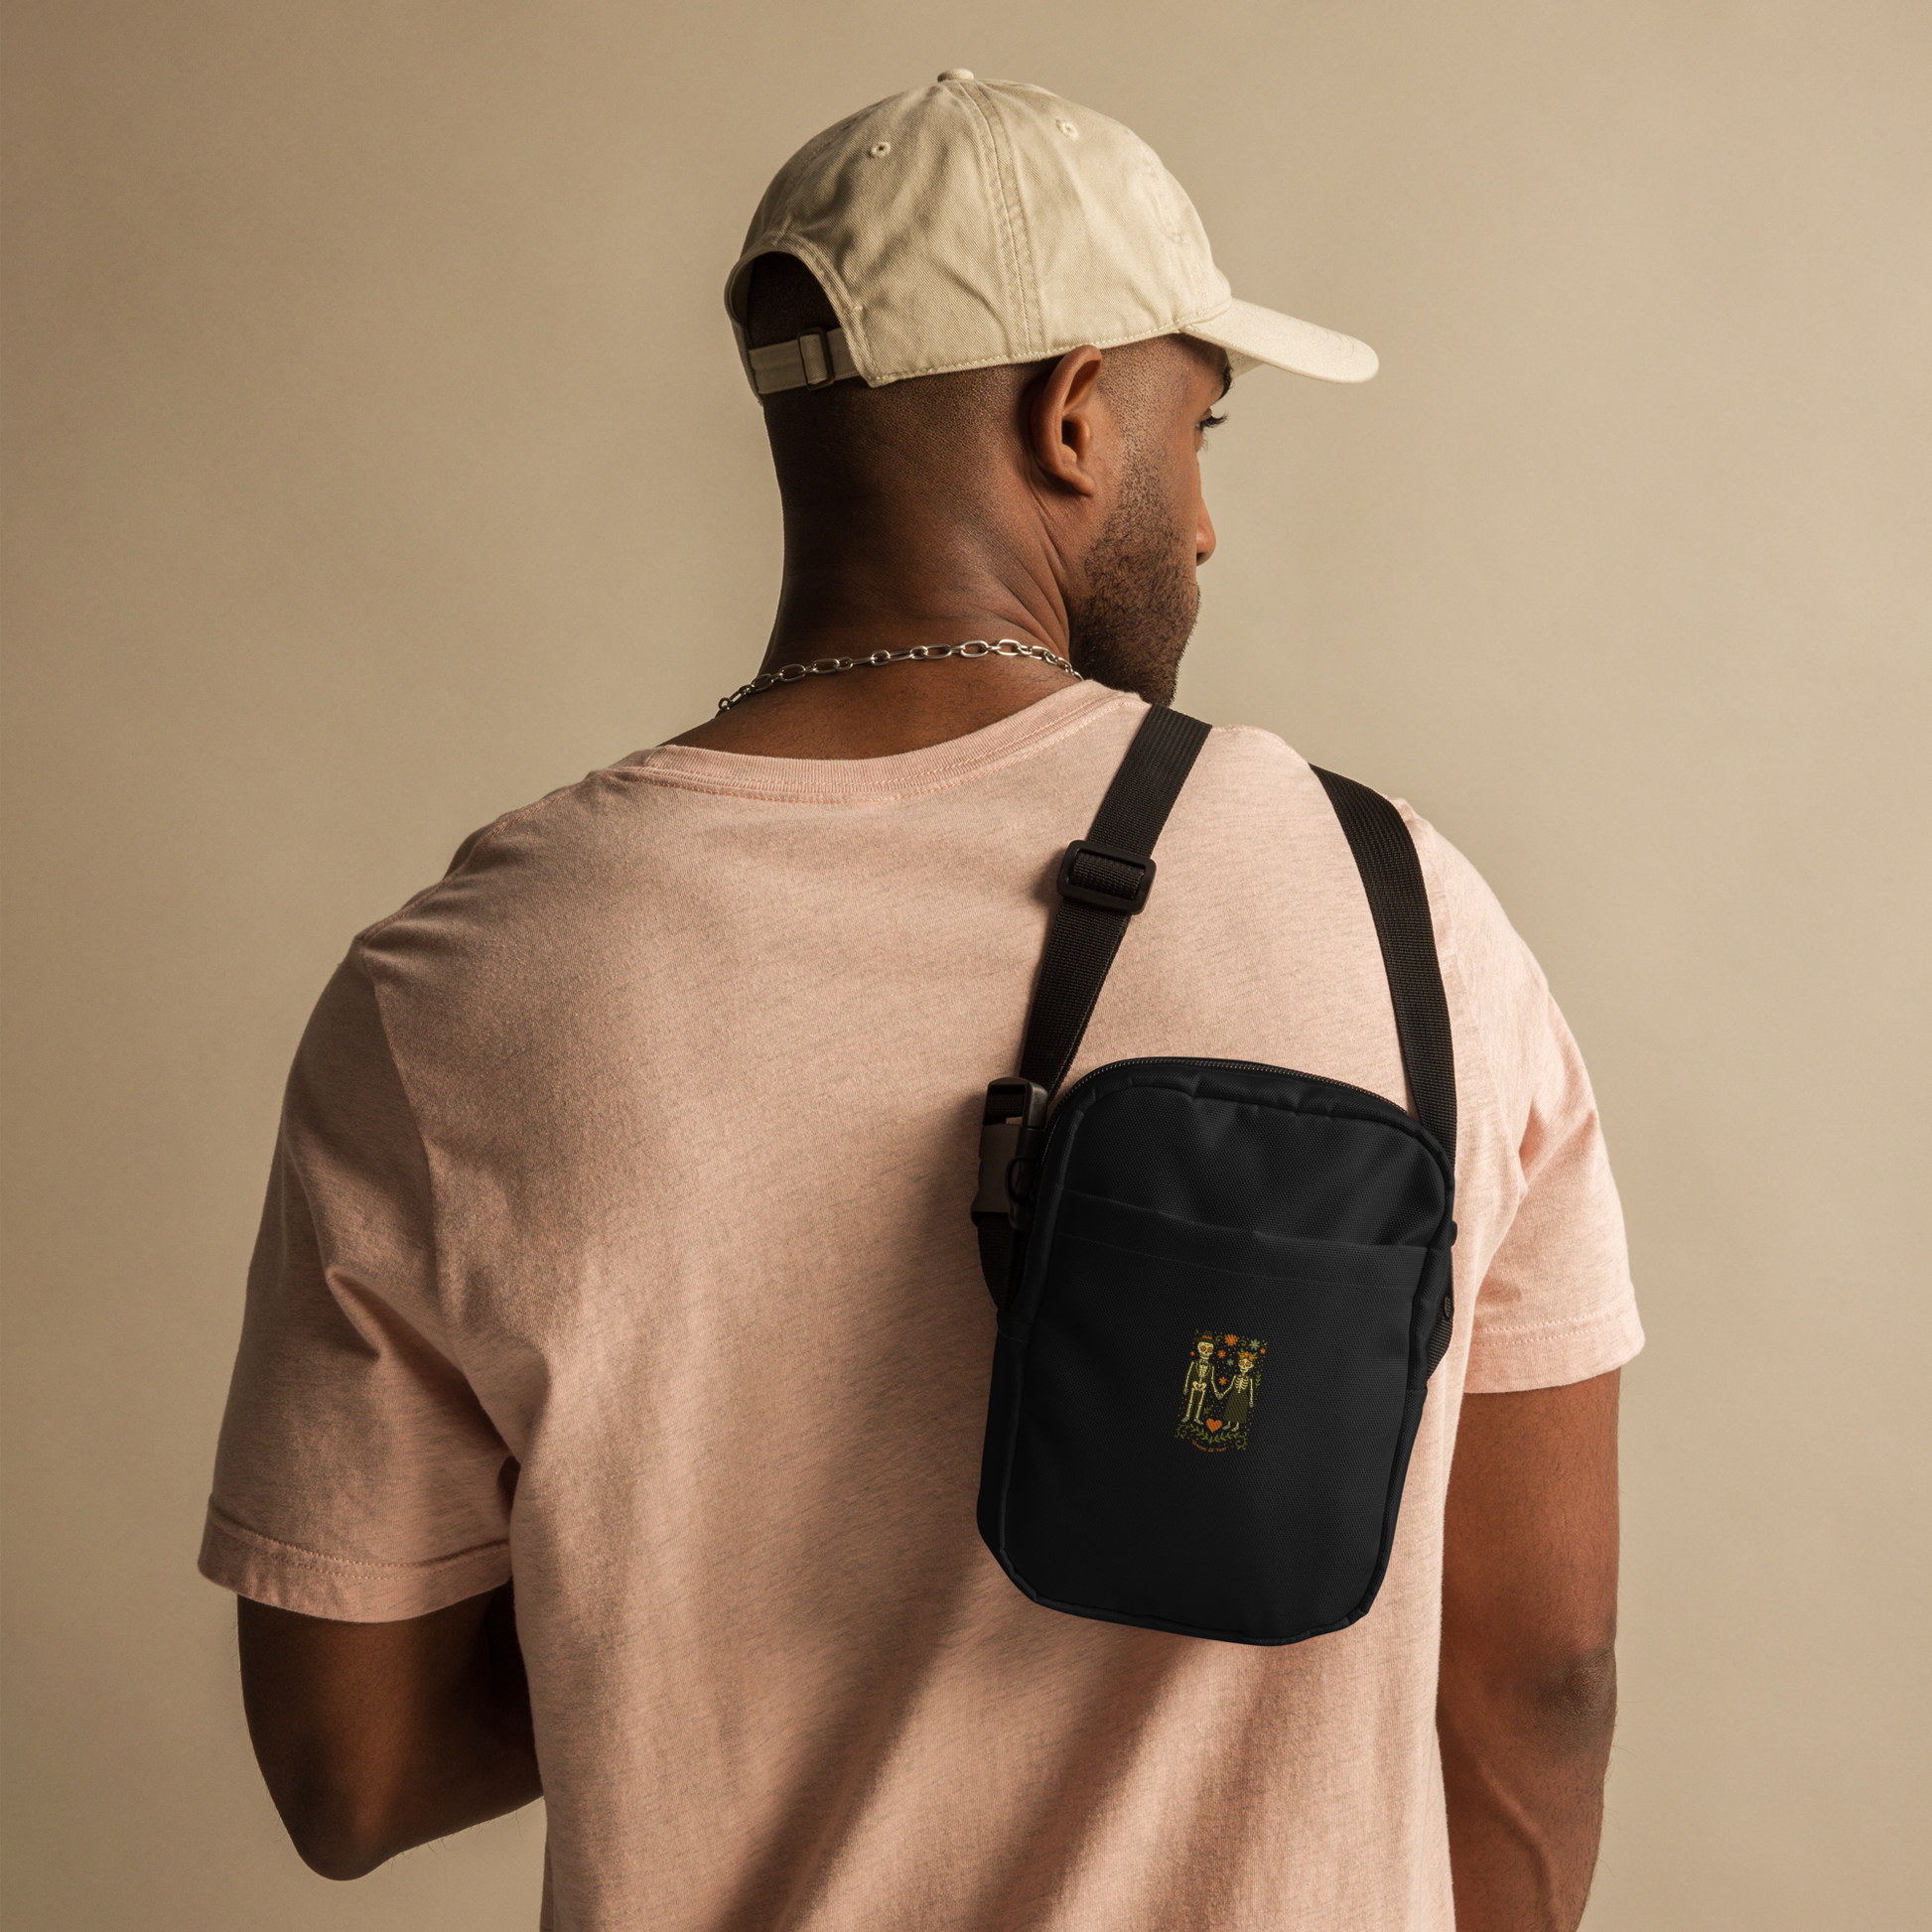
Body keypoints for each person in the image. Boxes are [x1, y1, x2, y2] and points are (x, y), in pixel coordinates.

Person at [202, 71, 1642, 1932]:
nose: (1201, 523)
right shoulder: (1402, 915)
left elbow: (352, 1770)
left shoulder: (450, 987)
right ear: (1069, 415)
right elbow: (1539, 1680)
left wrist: (673, 1578)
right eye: (1197, 425)